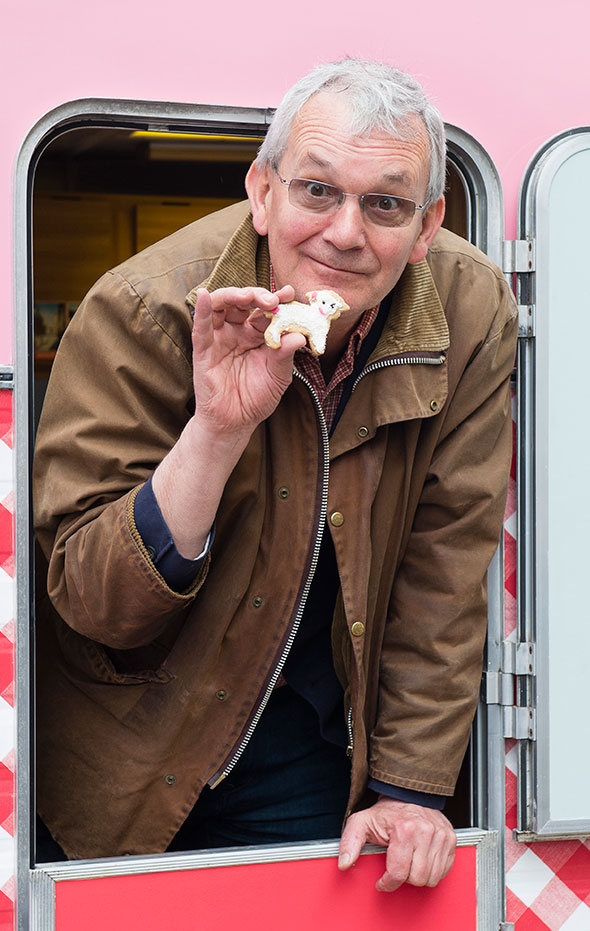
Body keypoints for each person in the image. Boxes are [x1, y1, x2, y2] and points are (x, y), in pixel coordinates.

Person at [33, 59, 518, 891]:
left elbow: (445, 566)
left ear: (429, 223)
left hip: (314, 741)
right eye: (317, 191)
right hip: (132, 740)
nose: (345, 233)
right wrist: (217, 431)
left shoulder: (471, 312)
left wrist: (408, 789)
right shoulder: (144, 309)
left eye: (386, 204)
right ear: (262, 191)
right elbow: (91, 600)